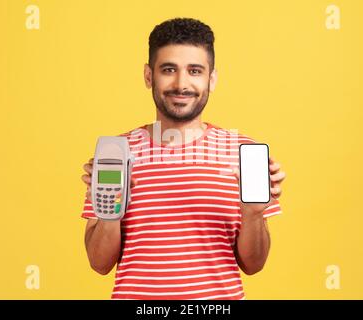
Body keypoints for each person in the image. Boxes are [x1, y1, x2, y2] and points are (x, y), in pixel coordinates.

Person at [80, 17, 286, 300]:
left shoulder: (242, 153)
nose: (181, 84)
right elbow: (99, 263)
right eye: (168, 69)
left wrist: (252, 215)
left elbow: (254, 265)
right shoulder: (115, 153)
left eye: (195, 71)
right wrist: (112, 212)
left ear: (211, 79)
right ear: (148, 76)